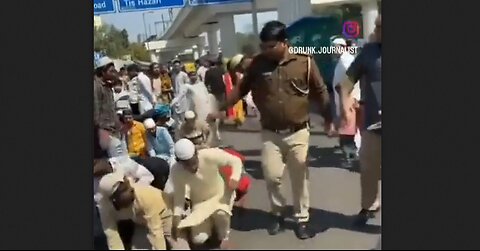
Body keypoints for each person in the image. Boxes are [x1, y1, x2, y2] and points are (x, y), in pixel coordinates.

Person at [208, 20, 333, 240]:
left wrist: (329, 119)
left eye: (270, 46)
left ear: (284, 43)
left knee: (299, 178)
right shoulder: (258, 65)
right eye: (263, 46)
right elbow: (240, 89)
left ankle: (302, 219)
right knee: (272, 176)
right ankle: (277, 212)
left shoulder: (304, 62)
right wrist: (221, 109)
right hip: (271, 134)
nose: (266, 50)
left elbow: (321, 90)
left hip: (298, 132)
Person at [339, 14, 382, 226]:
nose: (378, 29)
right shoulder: (368, 53)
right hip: (374, 125)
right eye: (377, 26)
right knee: (368, 170)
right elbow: (347, 80)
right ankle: (368, 206)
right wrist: (345, 100)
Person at [170, 139, 243, 249]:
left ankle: (223, 235)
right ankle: (210, 226)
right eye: (186, 164)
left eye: (193, 162)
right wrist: (176, 216)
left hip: (219, 196)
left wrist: (235, 178)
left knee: (221, 214)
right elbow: (179, 195)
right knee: (199, 239)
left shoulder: (208, 155)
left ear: (196, 154)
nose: (191, 167)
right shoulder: (176, 171)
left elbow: (236, 161)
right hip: (200, 202)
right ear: (179, 161)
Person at [96, 171, 171, 250]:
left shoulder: (144, 195)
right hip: (142, 222)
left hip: (165, 212)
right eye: (125, 189)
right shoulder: (105, 207)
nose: (131, 188)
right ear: (114, 198)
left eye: (129, 185)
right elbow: (111, 234)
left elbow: (156, 231)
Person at [332, 37, 358, 167]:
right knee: (346, 128)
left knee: (347, 129)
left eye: (335, 47)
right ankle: (349, 155)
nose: (333, 50)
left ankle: (350, 158)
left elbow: (352, 81)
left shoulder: (346, 61)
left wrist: (350, 101)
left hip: (347, 100)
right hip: (344, 99)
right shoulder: (342, 60)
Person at [94, 56, 121, 159]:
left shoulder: (108, 86)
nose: (114, 73)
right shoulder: (96, 87)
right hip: (103, 131)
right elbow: (95, 113)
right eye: (111, 71)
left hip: (112, 129)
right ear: (102, 72)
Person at [170, 60, 190, 127]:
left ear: (180, 66)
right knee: (177, 116)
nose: (176, 67)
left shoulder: (184, 75)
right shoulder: (173, 75)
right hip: (176, 96)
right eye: (175, 66)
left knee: (184, 114)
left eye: (178, 66)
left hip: (184, 97)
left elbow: (187, 86)